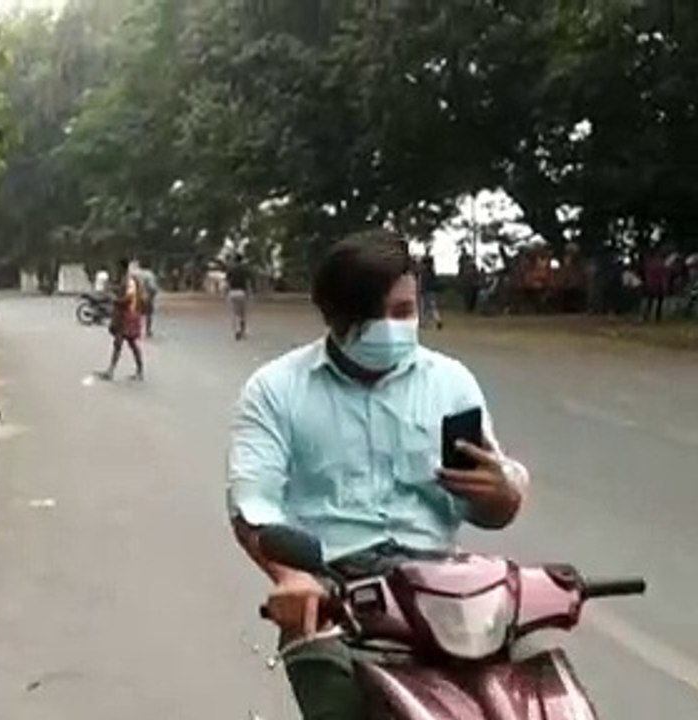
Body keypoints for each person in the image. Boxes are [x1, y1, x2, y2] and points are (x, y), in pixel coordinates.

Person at [226, 236, 529, 720]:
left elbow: (494, 505)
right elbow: (252, 505)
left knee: (526, 695)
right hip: (334, 594)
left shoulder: (451, 383)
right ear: (334, 316)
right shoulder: (275, 390)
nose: (396, 326)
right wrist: (292, 578)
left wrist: (501, 494)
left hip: (442, 589)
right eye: (379, 315)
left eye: (406, 310)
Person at [95, 258, 145, 382]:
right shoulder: (125, 280)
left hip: (128, 315)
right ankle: (114, 371)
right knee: (122, 343)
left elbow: (128, 298)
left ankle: (135, 370)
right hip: (124, 315)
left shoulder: (130, 281)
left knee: (128, 343)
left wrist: (115, 300)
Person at [226, 254, 254, 340]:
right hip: (241, 293)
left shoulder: (230, 269)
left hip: (232, 293)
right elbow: (248, 282)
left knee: (234, 313)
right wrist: (250, 293)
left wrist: (226, 292)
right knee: (242, 314)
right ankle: (242, 331)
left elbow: (227, 282)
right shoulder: (245, 269)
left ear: (234, 260)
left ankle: (236, 331)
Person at [135, 261, 161, 338]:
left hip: (136, 296)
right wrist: (153, 294)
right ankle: (148, 330)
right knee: (148, 314)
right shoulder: (149, 274)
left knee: (137, 313)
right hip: (147, 296)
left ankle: (137, 329)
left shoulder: (135, 274)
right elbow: (152, 286)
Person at [417, 254, 444, 329]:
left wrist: (421, 290)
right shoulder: (432, 271)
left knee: (425, 308)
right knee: (432, 307)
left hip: (426, 291)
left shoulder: (424, 272)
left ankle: (423, 323)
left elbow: (423, 282)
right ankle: (437, 320)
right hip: (433, 291)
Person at [643, 249, 669, 322]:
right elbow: (664, 276)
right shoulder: (661, 265)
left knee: (651, 302)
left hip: (653, 284)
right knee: (657, 302)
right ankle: (657, 317)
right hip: (657, 284)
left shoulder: (650, 264)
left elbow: (648, 275)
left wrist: (648, 283)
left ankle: (648, 316)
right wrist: (665, 285)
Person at [457, 249, 480, 314]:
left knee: (472, 296)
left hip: (472, 283)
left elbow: (477, 273)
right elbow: (460, 266)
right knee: (467, 296)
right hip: (468, 283)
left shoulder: (472, 265)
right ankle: (468, 308)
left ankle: (471, 308)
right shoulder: (463, 261)